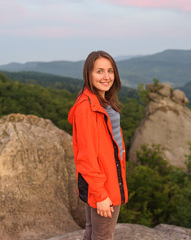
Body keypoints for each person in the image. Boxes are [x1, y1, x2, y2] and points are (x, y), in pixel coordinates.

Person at [68, 50, 128, 240]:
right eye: (99, 71)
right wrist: (101, 195)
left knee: (92, 231)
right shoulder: (87, 107)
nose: (106, 76)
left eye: (110, 71)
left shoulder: (101, 101)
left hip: (106, 179)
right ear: (89, 74)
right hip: (103, 183)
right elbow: (85, 156)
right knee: (102, 236)